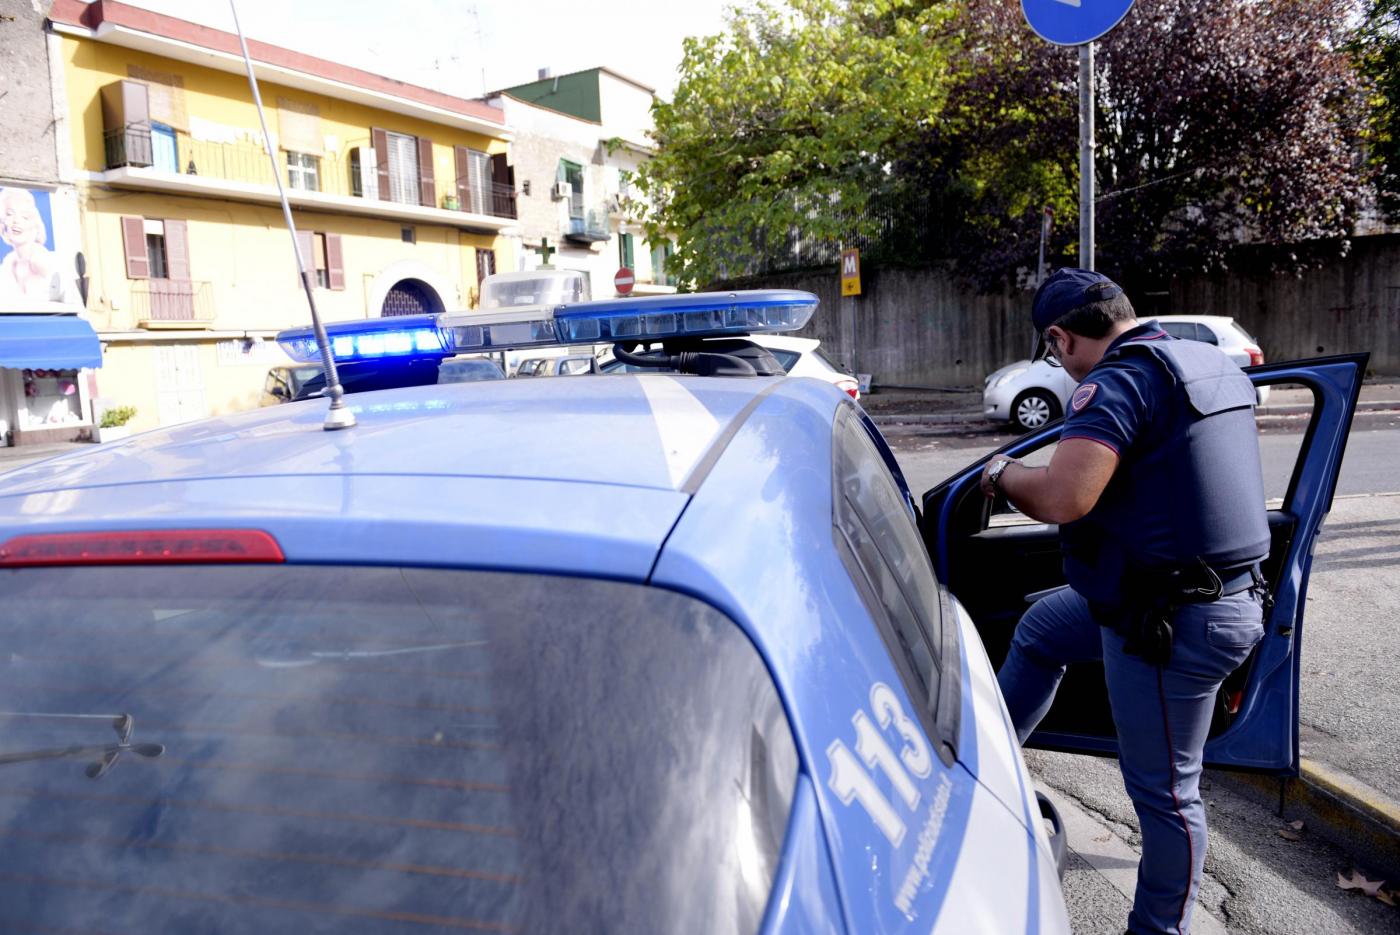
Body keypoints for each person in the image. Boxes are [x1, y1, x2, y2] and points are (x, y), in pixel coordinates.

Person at [982, 269, 1269, 935]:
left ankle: (1157, 929)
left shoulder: (1117, 380)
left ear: (1060, 338)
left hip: (1174, 622)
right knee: (1041, 629)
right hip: (1181, 595)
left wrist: (1001, 473)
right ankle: (985, 772)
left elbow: (1063, 496)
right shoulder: (1203, 360)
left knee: (1166, 793)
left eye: (1052, 349)